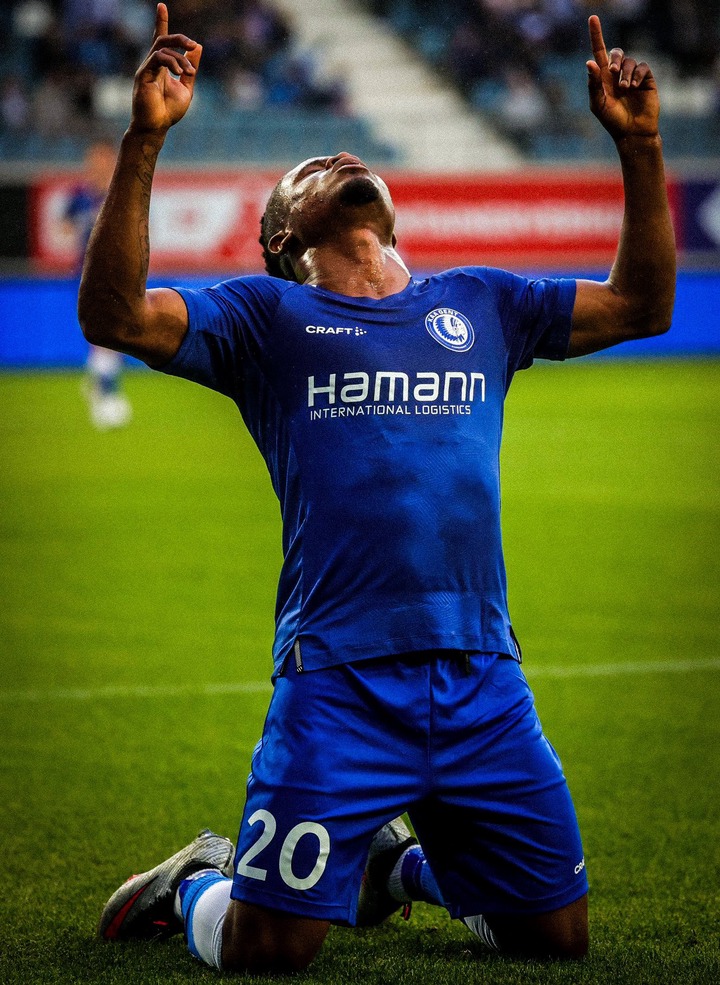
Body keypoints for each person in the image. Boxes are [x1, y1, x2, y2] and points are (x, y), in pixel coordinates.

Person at [79, 3, 675, 975]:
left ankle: (395, 868)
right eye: (311, 167)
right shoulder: (265, 318)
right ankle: (189, 882)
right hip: (339, 679)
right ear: (282, 235)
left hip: (483, 673)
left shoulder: (483, 300)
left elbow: (644, 305)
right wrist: (144, 140)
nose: (339, 157)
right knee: (270, 949)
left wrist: (640, 148)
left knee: (556, 942)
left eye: (346, 157)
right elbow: (114, 315)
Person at [63, 139, 132, 429]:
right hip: (87, 272)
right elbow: (63, 226)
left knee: (114, 334)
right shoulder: (80, 195)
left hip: (118, 272)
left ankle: (101, 387)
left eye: (103, 158)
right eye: (94, 158)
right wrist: (81, 225)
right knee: (102, 334)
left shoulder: (121, 192)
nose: (98, 164)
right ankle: (106, 394)